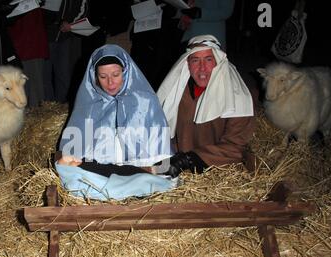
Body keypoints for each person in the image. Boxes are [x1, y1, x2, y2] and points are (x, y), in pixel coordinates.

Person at [56, 44, 173, 200]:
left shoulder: (146, 102)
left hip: (138, 173)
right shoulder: (88, 106)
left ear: (126, 72)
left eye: (116, 75)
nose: (110, 83)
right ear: (94, 76)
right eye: (103, 77)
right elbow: (72, 156)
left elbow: (161, 160)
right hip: (100, 172)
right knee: (69, 170)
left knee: (153, 181)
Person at [157, 34, 255, 178]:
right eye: (195, 60)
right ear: (187, 64)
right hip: (179, 169)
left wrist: (189, 160)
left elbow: (235, 147)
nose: (202, 68)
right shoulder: (177, 93)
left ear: (218, 62)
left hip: (219, 172)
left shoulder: (237, 98)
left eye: (208, 60)